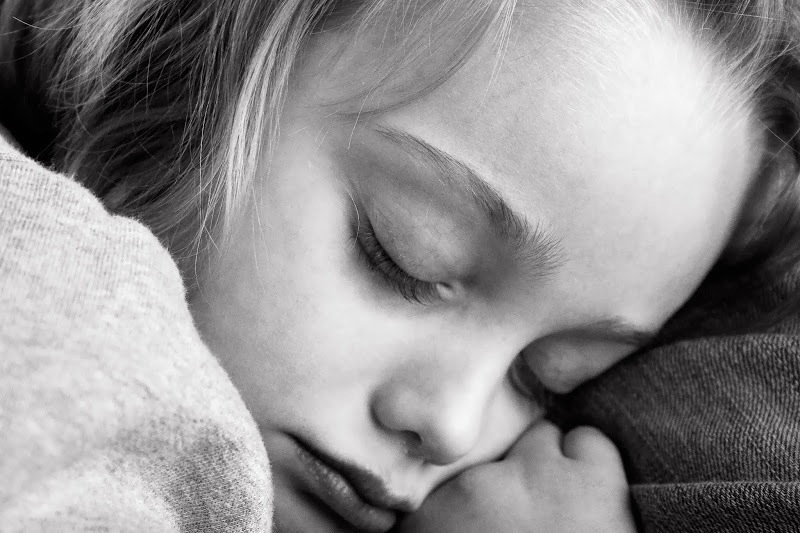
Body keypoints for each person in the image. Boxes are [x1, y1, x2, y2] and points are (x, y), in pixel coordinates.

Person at [1, 0, 799, 531]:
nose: (454, 425)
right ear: (192, 55)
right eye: (406, 257)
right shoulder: (60, 285)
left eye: (548, 379)